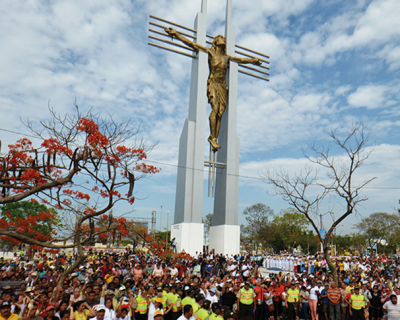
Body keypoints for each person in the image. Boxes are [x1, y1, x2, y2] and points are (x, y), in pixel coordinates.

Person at [164, 27, 261, 151]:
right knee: (215, 108)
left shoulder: (227, 57)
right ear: (215, 41)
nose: (223, 39)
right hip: (213, 83)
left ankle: (214, 137)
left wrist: (253, 60)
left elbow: (240, 60)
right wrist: (177, 34)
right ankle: (212, 137)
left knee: (220, 112)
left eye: (224, 38)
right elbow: (192, 44)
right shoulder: (210, 52)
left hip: (222, 86)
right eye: (221, 37)